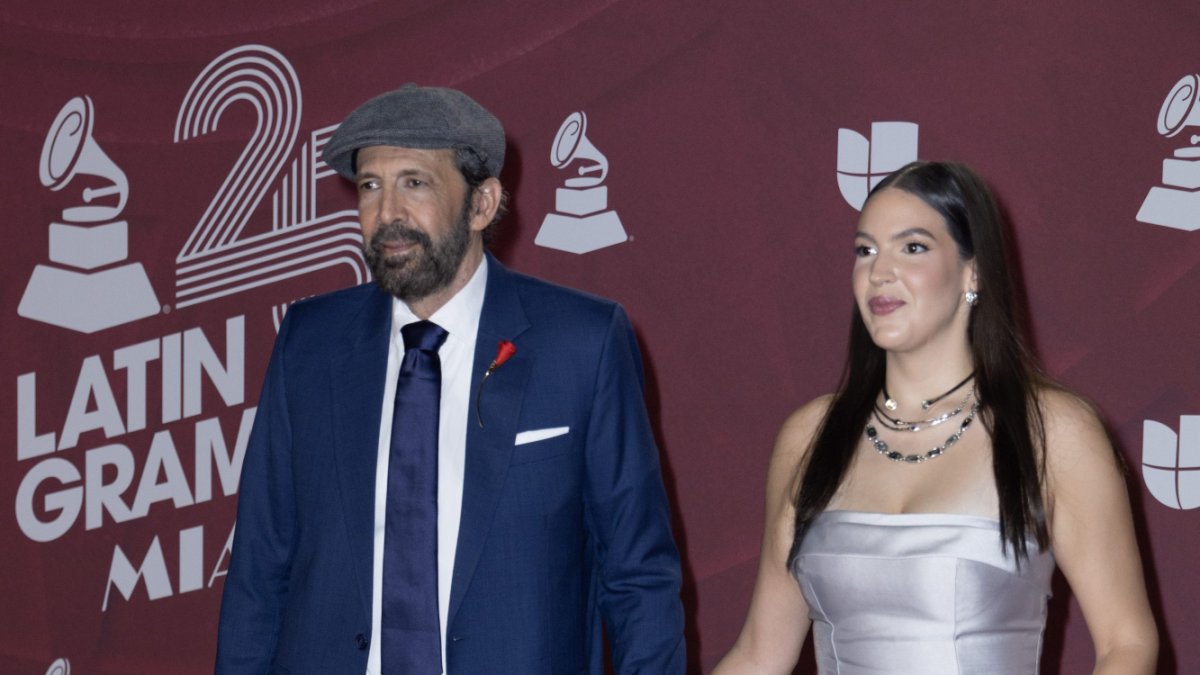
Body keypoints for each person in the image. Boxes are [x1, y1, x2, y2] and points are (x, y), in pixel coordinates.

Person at [214, 84, 685, 674]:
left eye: (414, 183)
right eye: (369, 186)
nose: (386, 215)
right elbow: (260, 568)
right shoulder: (309, 343)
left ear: (483, 203)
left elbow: (638, 576)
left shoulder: (581, 343)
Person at [714, 161, 1158, 674]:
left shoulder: (1052, 432)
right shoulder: (810, 436)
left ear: (974, 271)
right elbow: (759, 655)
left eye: (913, 247)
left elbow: (1126, 643)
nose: (880, 271)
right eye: (865, 250)